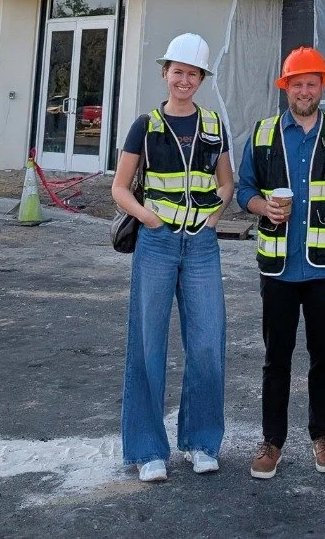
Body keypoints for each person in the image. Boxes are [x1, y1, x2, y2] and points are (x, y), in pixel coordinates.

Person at [237, 46, 325, 478]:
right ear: (286, 88)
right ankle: (272, 441)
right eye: (298, 84)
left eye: (312, 83)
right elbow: (243, 190)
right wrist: (261, 207)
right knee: (276, 357)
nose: (305, 90)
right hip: (277, 268)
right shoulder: (263, 133)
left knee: (323, 355)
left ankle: (321, 435)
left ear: (321, 87)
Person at [111, 32, 234, 483]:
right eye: (178, 71)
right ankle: (148, 451)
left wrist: (214, 217)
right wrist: (150, 219)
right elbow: (120, 188)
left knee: (207, 344)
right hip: (157, 244)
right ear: (165, 73)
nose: (184, 79)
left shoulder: (213, 126)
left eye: (193, 73)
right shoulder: (145, 125)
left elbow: (226, 183)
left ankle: (201, 442)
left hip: (201, 246)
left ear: (201, 79)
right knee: (147, 344)